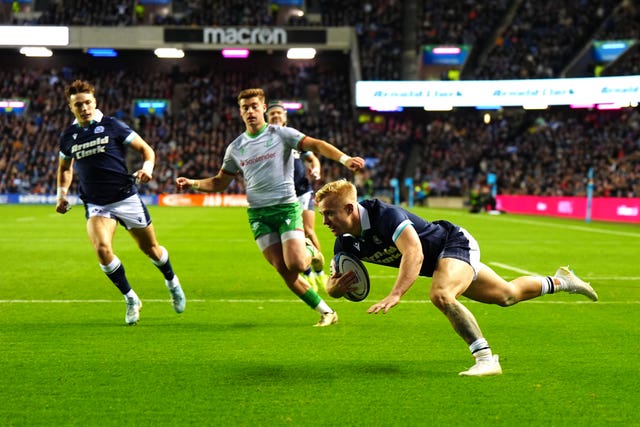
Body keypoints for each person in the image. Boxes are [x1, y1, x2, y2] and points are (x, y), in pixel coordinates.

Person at [315, 179, 599, 376]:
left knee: (441, 295)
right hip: (441, 263)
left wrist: (396, 293)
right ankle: (564, 280)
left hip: (454, 243)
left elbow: (413, 252)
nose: (325, 222)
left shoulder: (384, 214)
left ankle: (486, 359)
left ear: (350, 209)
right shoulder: (345, 242)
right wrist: (335, 289)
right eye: (323, 215)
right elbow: (331, 284)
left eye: (329, 214)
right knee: (507, 295)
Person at [176, 88, 365, 327]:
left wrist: (345, 159)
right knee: (285, 272)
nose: (250, 111)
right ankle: (327, 312)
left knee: (296, 264)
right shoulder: (235, 148)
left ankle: (312, 252)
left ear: (263, 108)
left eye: (255, 106)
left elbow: (316, 145)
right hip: (258, 215)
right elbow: (219, 182)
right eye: (245, 108)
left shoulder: (282, 134)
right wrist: (191, 182)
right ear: (240, 112)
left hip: (286, 208)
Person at [56, 80, 185, 325]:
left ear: (95, 102)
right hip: (96, 204)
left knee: (152, 251)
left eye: (87, 103)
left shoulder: (112, 125)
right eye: (78, 105)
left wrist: (147, 169)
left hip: (125, 197)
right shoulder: (69, 136)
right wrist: (61, 194)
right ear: (70, 107)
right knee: (102, 250)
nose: (84, 108)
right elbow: (64, 167)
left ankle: (172, 282)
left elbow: (147, 150)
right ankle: (130, 297)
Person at [266, 101, 327, 291]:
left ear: (285, 116)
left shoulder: (293, 137)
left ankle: (320, 273)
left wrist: (315, 169)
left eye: (279, 113)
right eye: (272, 114)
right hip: (281, 197)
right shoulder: (262, 141)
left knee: (308, 231)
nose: (276, 116)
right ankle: (307, 273)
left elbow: (311, 157)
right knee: (291, 235)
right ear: (267, 118)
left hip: (301, 190)